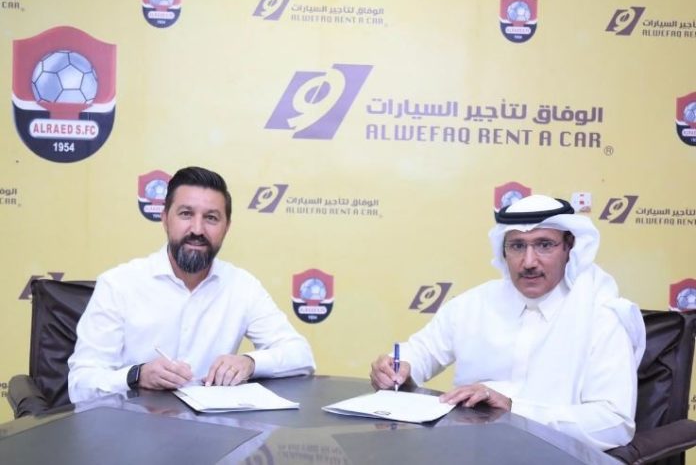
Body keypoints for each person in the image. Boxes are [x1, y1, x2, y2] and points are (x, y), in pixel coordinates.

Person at [370, 194, 646, 451]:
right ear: (503, 251)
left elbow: (614, 423)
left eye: (544, 245)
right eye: (517, 246)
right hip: (470, 451)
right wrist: (399, 367)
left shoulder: (601, 316)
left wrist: (514, 409)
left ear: (569, 248)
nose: (529, 262)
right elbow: (421, 351)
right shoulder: (474, 304)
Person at [68, 166, 315, 402]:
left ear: (227, 227)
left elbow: (301, 356)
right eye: (186, 214)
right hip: (132, 426)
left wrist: (250, 363)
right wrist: (137, 376)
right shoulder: (118, 284)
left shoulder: (242, 286)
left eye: (211, 218)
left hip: (213, 427)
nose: (197, 229)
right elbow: (81, 385)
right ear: (165, 219)